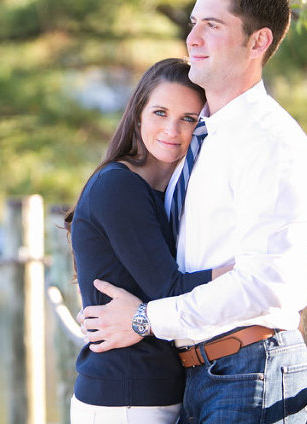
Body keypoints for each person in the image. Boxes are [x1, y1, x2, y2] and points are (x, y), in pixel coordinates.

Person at [79, 0, 307, 423]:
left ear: (258, 43)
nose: (192, 37)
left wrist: (145, 320)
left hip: (251, 369)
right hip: (198, 373)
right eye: (194, 22)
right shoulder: (201, 138)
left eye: (212, 25)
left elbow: (265, 284)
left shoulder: (270, 143)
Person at [67, 58, 233, 424]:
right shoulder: (119, 186)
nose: (172, 130)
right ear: (138, 113)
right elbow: (169, 289)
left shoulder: (169, 193)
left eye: (188, 118)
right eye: (160, 112)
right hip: (125, 399)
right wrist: (242, 272)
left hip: (155, 392)